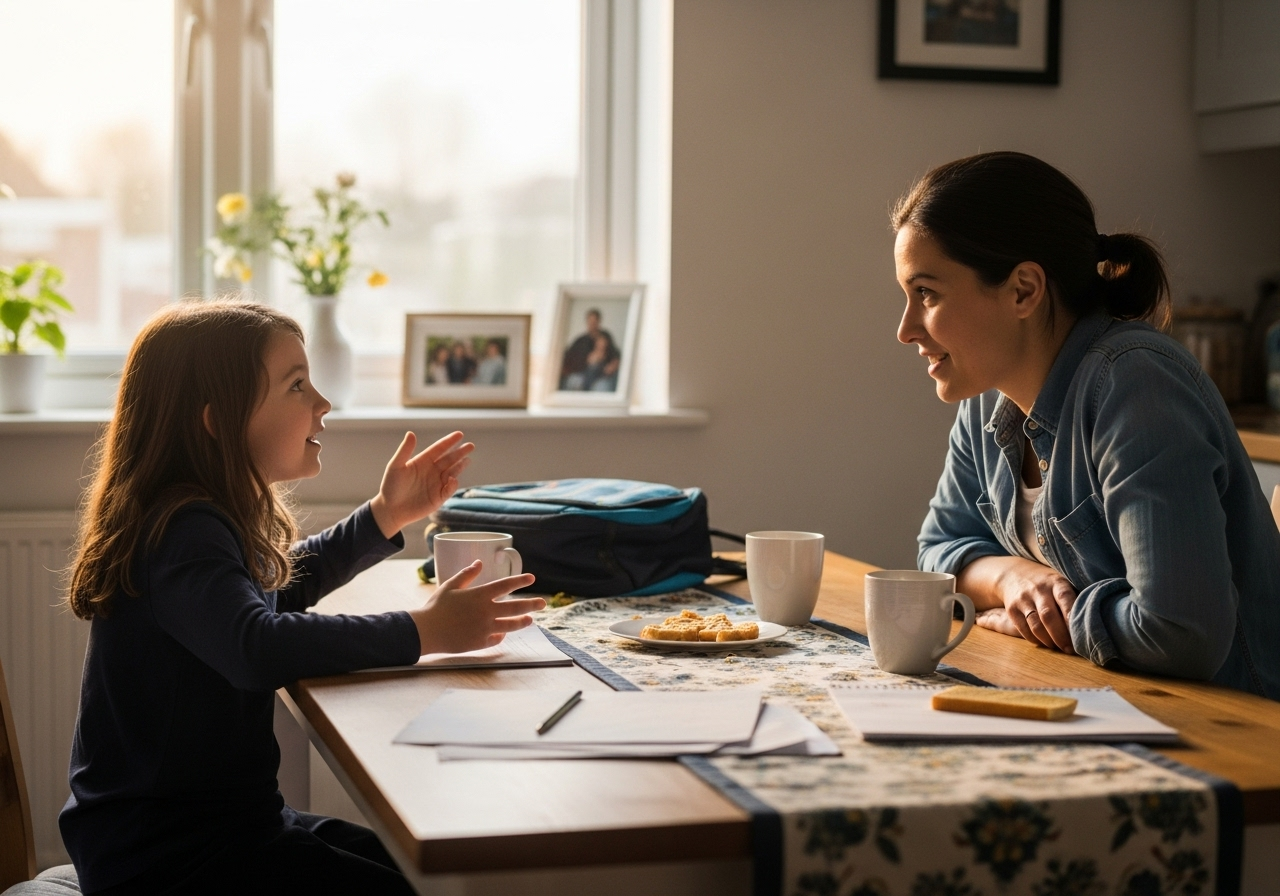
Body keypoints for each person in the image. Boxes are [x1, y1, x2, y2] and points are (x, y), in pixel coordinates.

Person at [59, 300, 543, 895]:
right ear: (218, 421)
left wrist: (384, 516)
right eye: (296, 385)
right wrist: (425, 630)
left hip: (218, 829)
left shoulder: (195, 519)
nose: (323, 402)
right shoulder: (183, 528)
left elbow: (271, 597)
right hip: (165, 855)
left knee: (409, 871)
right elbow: (255, 645)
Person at [893, 151, 1280, 700]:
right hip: (1099, 700)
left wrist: (1060, 619)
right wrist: (1010, 580)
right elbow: (938, 547)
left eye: (926, 293)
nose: (906, 329)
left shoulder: (1137, 385)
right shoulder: (986, 395)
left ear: (1024, 289)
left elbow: (1182, 633)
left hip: (1238, 729)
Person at [559, 308, 616, 390]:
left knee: (602, 386)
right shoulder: (580, 340)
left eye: (594, 322)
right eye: (590, 322)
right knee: (573, 381)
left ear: (599, 322)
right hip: (581, 373)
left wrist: (611, 364)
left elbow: (615, 355)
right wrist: (588, 360)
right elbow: (568, 358)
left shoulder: (605, 336)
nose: (592, 324)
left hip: (602, 375)